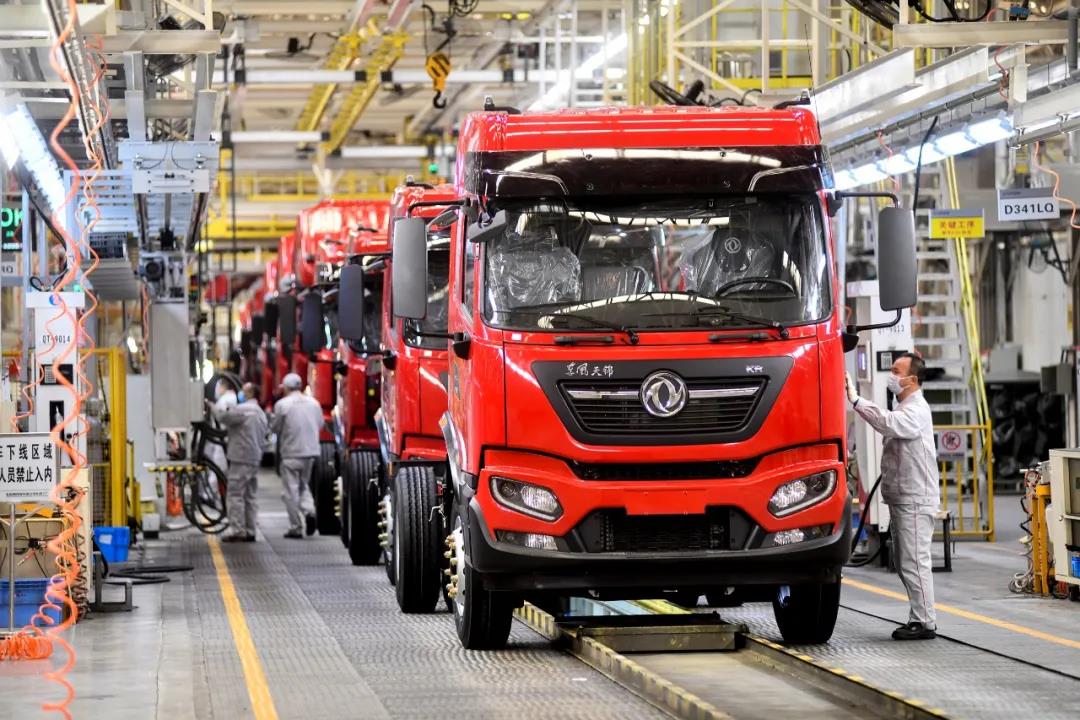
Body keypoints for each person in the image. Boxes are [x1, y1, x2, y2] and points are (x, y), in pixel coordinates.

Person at [845, 352, 941, 641]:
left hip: (915, 499)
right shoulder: (904, 407)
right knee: (904, 562)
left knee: (914, 562)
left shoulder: (916, 410)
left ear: (912, 379)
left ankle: (924, 622)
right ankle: (919, 617)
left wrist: (857, 401)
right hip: (904, 498)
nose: (891, 375)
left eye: (897, 371)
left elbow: (888, 423)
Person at [213, 383, 269, 542]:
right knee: (250, 495)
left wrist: (211, 407)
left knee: (235, 494)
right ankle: (250, 530)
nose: (240, 394)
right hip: (254, 457)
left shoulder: (244, 410)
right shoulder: (260, 412)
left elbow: (223, 417)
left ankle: (237, 530)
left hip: (241, 457)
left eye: (243, 391)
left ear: (250, 393)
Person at [271, 373, 322, 539]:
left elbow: (275, 427)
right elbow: (320, 424)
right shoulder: (314, 403)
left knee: (290, 491)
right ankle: (310, 512)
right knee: (302, 485)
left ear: (286, 388)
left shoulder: (282, 405)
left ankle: (296, 527)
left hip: (291, 453)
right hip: (311, 452)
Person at [206, 379, 238, 474]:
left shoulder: (225, 399)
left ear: (223, 386)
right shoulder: (233, 397)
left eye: (219, 387)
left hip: (223, 436)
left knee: (219, 466)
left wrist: (212, 406)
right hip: (230, 437)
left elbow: (221, 416)